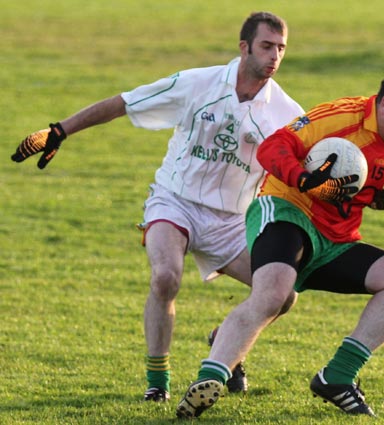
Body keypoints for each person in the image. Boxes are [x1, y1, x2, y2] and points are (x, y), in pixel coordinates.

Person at [11, 12, 305, 402]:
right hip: (175, 200)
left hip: (233, 221)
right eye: (267, 46)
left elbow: (311, 169)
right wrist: (61, 130)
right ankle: (157, 382)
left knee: (284, 295)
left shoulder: (288, 113)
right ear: (244, 47)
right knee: (165, 276)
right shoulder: (197, 83)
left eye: (281, 48)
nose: (274, 56)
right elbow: (125, 102)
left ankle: (226, 339)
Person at [176, 68, 384, 419]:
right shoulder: (341, 116)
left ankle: (337, 378)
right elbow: (274, 147)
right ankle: (209, 379)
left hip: (337, 239)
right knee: (275, 294)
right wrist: (302, 178)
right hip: (288, 210)